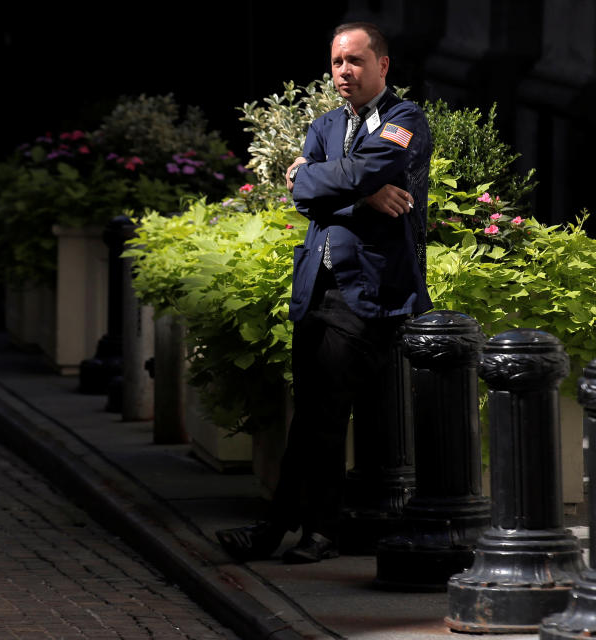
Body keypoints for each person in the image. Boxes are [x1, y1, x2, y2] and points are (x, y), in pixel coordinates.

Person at [216, 22, 433, 564]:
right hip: (317, 285)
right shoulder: (324, 125)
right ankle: (316, 531)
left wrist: (322, 178)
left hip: (370, 292)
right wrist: (360, 199)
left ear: (382, 66)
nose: (344, 72)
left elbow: (362, 169)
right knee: (315, 414)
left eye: (356, 61)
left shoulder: (405, 120)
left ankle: (286, 531)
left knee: (323, 412)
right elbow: (304, 197)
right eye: (337, 62)